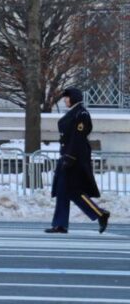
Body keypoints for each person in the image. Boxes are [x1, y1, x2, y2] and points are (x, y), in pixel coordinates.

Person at [46, 87, 110, 234]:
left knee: (74, 191)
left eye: (67, 97)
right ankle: (60, 224)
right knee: (62, 190)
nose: (65, 100)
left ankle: (100, 213)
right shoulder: (74, 112)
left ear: (74, 97)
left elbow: (78, 138)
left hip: (75, 158)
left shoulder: (81, 114)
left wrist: (70, 157)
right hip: (67, 156)